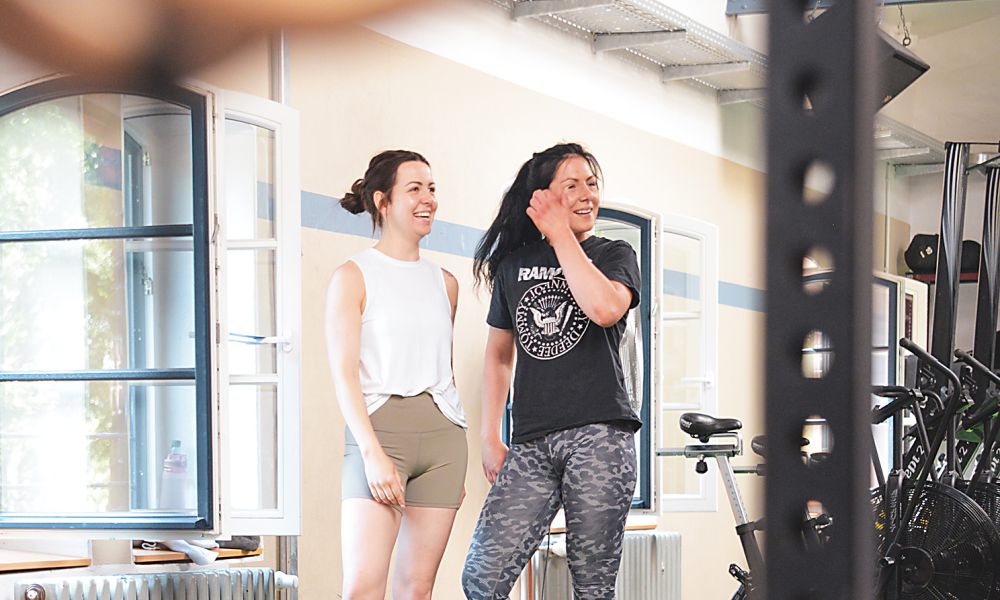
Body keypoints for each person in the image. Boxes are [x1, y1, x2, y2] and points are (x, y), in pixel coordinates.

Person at [462, 142, 642, 599]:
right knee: (482, 578)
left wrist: (562, 235)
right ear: (542, 197)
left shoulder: (613, 254)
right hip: (531, 444)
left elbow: (604, 308)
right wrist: (489, 437)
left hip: (600, 436)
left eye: (592, 184)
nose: (587, 195)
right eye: (572, 185)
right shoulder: (514, 266)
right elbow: (499, 354)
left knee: (592, 587)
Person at [325, 150, 467, 599]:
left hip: (443, 439)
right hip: (379, 434)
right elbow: (344, 374)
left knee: (416, 590)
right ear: (383, 201)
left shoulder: (445, 282)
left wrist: (455, 455)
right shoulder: (352, 277)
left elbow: (444, 369)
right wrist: (371, 454)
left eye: (432, 188)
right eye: (415, 189)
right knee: (363, 588)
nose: (428, 199)